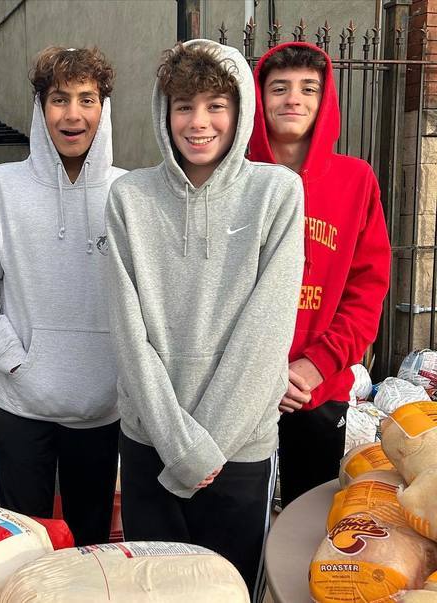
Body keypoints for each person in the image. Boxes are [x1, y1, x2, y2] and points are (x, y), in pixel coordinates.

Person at [105, 40, 304, 601]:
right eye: (184, 105)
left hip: (238, 447)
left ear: (239, 112)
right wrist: (176, 442)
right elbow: (128, 330)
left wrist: (205, 446)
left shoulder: (277, 192)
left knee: (231, 589)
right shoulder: (129, 198)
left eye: (216, 105)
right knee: (155, 590)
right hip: (151, 441)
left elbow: (266, 331)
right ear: (163, 112)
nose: (199, 122)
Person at [0, 46, 125, 547]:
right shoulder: (1, 187)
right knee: (21, 541)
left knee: (91, 542)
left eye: (87, 99)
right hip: (22, 403)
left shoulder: (128, 192)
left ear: (104, 108)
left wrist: (121, 374)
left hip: (102, 406)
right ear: (40, 108)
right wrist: (16, 362)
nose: (73, 115)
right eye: (59, 99)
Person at [248, 42, 391, 507]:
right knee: (240, 524)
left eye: (309, 88)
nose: (294, 99)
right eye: (280, 88)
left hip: (317, 387)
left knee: (303, 521)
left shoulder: (356, 180)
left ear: (325, 100)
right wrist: (262, 373)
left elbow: (366, 291)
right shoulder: (235, 179)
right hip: (240, 387)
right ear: (258, 97)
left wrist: (313, 366)